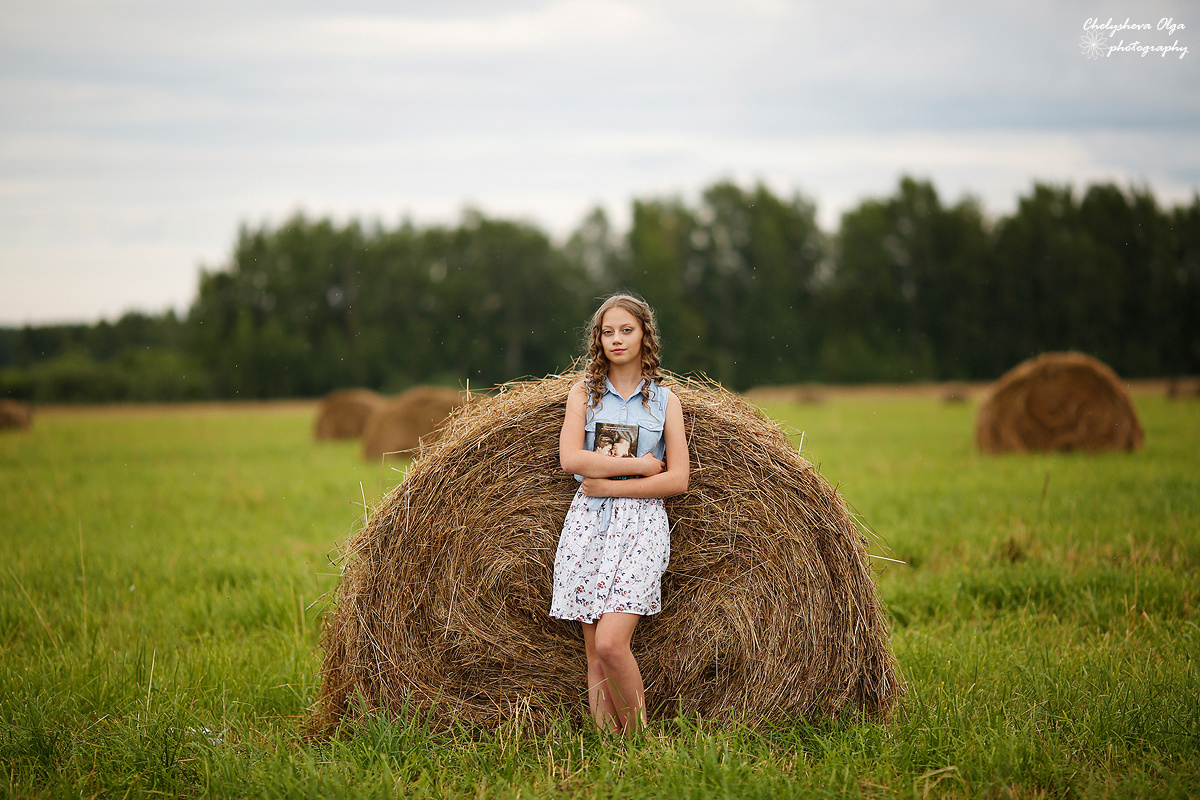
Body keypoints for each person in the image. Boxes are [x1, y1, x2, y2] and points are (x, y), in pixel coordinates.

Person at [550, 294, 690, 734]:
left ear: (645, 334)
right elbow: (571, 460)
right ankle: (614, 754)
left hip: (642, 527)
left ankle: (640, 740)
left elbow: (678, 480)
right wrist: (640, 465)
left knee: (612, 644)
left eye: (626, 330)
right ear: (598, 339)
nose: (616, 339)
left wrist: (614, 481)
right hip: (588, 524)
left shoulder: (666, 402)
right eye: (607, 332)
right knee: (593, 654)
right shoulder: (584, 394)